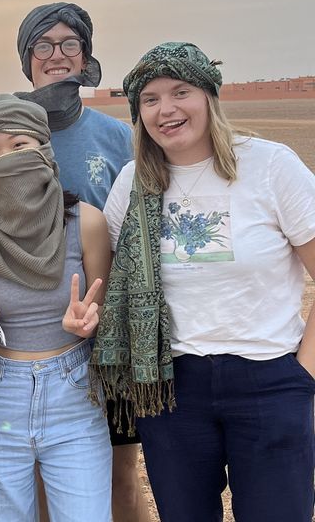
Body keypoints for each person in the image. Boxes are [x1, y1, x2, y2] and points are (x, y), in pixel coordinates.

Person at [92, 42, 315, 521]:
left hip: (269, 377)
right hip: (171, 386)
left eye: (180, 91)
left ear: (210, 97)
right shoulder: (133, 181)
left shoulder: (270, 166)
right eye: (149, 99)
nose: (165, 110)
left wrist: (305, 371)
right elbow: (111, 280)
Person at [0, 2, 149, 522]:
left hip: (100, 343)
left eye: (69, 44)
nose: (57, 55)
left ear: (86, 56)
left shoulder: (115, 138)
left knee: (118, 479)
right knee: (37, 483)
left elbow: (135, 236)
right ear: (28, 59)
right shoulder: (1, 133)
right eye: (43, 45)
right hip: (17, 360)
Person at [0, 95, 113, 521]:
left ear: (44, 147)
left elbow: (106, 318)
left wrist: (88, 326)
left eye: (19, 145)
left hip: (76, 396)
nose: (5, 160)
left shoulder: (88, 223)